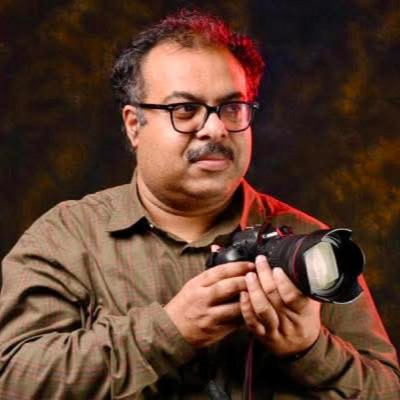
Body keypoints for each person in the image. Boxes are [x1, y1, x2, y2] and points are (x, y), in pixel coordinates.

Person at [0, 8, 399, 399]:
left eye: (232, 108)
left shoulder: (310, 244)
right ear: (134, 125)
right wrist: (171, 330)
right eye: (185, 110)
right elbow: (12, 378)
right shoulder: (67, 238)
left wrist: (309, 349)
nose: (215, 128)